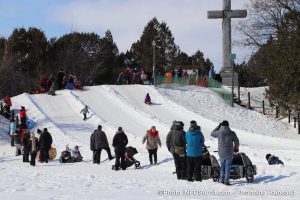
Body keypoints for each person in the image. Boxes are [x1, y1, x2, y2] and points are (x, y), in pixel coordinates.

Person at [211, 120, 239, 185]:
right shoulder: (232, 133)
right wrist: (236, 149)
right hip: (229, 152)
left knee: (222, 166)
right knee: (227, 167)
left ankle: (221, 179)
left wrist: (218, 126)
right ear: (228, 125)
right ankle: (226, 181)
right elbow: (237, 141)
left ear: (222, 125)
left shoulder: (219, 133)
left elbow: (212, 133)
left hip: (221, 153)